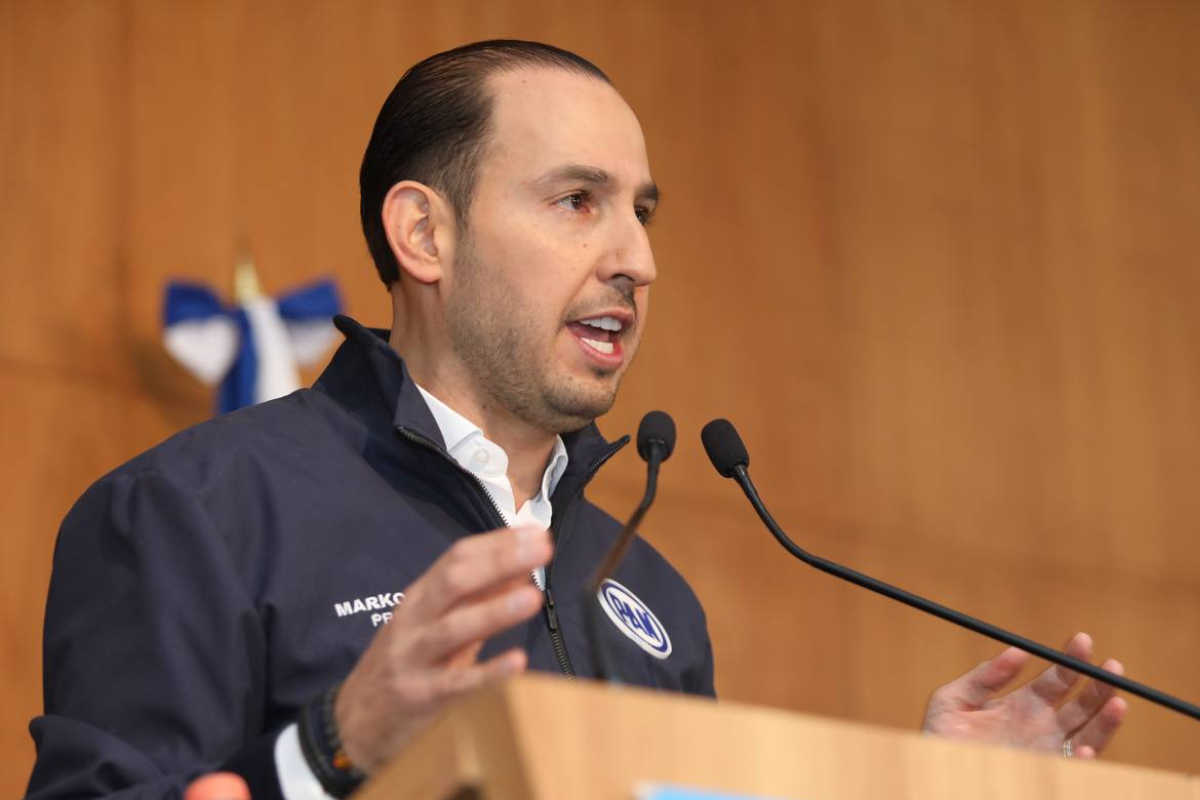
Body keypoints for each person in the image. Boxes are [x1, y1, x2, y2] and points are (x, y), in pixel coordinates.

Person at [27, 40, 1126, 800]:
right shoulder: (192, 514)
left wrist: (931, 784)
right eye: (577, 201)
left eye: (642, 213)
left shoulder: (651, 591)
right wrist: (333, 749)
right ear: (424, 233)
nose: (637, 260)